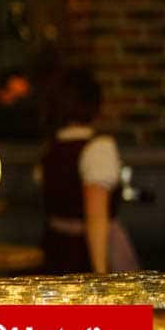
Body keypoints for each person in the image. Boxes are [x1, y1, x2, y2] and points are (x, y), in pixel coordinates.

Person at [38, 68, 139, 274]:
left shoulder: (51, 148)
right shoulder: (98, 147)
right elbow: (96, 216)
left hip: (55, 249)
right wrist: (100, 273)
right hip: (84, 254)